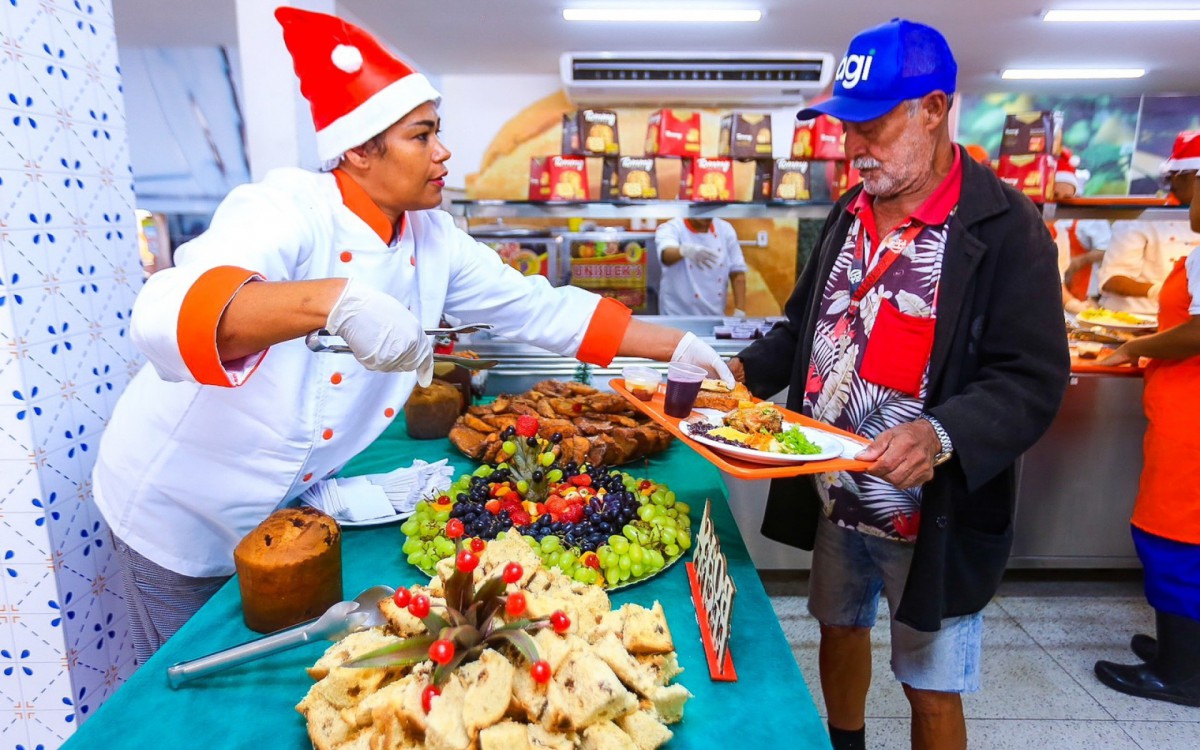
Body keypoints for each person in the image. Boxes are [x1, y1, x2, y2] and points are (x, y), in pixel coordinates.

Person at [92, 7, 733, 664]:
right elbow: (165, 313)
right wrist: (331, 301)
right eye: (421, 135)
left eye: (437, 132)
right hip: (181, 506)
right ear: (359, 149)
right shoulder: (286, 208)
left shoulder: (433, 238)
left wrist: (677, 348)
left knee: (273, 666)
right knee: (187, 677)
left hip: (289, 511)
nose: (443, 151)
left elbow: (540, 309)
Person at [729, 19, 1070, 750]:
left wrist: (941, 434)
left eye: (873, 124)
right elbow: (801, 330)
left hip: (930, 512)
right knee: (838, 628)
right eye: (847, 126)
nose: (854, 145)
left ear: (934, 110)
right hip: (836, 495)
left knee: (930, 684)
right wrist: (740, 373)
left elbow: (1032, 377)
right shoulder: (846, 214)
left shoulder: (1007, 228)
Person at [1093, 170, 1200, 707]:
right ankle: (1182, 651)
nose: (1185, 199)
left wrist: (1137, 346)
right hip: (1183, 412)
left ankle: (1181, 674)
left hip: (1192, 424)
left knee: (1174, 540)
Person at [1098, 131, 1200, 314]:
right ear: (1178, 177)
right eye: (1198, 179)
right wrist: (1158, 291)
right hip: (1132, 317)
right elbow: (1111, 279)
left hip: (1183, 318)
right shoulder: (1143, 216)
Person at [1050, 148, 1110, 313]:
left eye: (1067, 198)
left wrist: (1073, 305)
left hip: (1080, 292)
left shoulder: (1060, 235)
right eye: (1054, 195)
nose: (1059, 204)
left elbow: (1056, 281)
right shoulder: (1021, 229)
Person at [653, 217, 748, 316]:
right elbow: (666, 255)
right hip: (677, 314)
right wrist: (685, 250)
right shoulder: (672, 227)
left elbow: (737, 271)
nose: (707, 217)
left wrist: (740, 311)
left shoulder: (725, 229)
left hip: (714, 315)